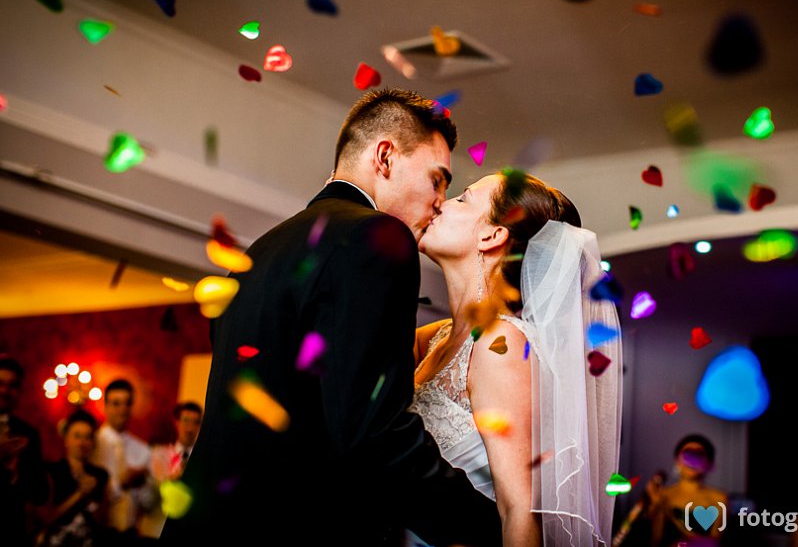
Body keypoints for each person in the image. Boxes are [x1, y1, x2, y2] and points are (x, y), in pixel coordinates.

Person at [161, 88, 502, 546]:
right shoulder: (376, 237)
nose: (441, 200)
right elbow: (373, 435)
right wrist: (493, 528)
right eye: (437, 180)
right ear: (385, 157)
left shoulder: (259, 253)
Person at [413, 171, 624, 546]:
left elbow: (520, 512)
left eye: (462, 198)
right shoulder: (435, 337)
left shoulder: (502, 344)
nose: (440, 203)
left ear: (492, 235)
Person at [93, 379, 158, 540]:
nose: (122, 410)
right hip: (96, 532)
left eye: (127, 404)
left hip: (130, 535)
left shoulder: (143, 449)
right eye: (116, 404)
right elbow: (90, 495)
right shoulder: (93, 445)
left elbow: (149, 504)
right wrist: (121, 483)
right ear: (105, 406)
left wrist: (144, 484)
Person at [36, 409, 110, 547]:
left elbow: (104, 520)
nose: (82, 443)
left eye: (87, 437)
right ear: (66, 439)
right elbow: (45, 519)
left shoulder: (100, 475)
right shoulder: (52, 471)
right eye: (77, 436)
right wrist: (80, 494)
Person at [1, 355, 50, 547]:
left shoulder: (28, 434)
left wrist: (16, 475)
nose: (5, 391)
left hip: (13, 532)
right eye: (0, 383)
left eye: (12, 386)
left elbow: (40, 494)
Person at [650, 434, 728, 547]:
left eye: (699, 454)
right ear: (677, 460)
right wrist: (656, 506)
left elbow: (716, 541)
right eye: (688, 453)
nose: (693, 459)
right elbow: (656, 539)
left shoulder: (719, 498)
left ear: (708, 462)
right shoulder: (663, 495)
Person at [140, 402, 202, 539]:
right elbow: (150, 495)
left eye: (196, 422)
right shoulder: (159, 454)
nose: (190, 428)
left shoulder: (203, 461)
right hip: (157, 527)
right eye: (186, 421)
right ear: (176, 422)